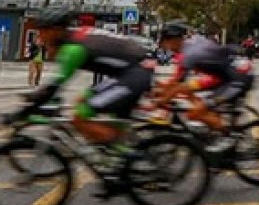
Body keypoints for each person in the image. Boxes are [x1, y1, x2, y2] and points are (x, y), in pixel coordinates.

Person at [11, 8, 154, 149]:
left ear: (55, 31)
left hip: (134, 75)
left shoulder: (73, 49)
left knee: (80, 116)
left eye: (43, 32)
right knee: (83, 101)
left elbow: (53, 88)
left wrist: (20, 114)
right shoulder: (76, 36)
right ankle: (117, 147)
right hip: (132, 71)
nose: (40, 37)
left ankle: (120, 159)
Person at [151, 21, 256, 148]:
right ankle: (216, 132)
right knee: (198, 103)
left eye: (165, 43)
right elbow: (176, 82)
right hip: (228, 76)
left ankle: (229, 141)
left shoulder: (189, 55)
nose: (165, 47)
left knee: (195, 113)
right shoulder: (190, 44)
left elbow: (178, 83)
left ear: (175, 40)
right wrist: (163, 92)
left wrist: (161, 100)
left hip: (238, 78)